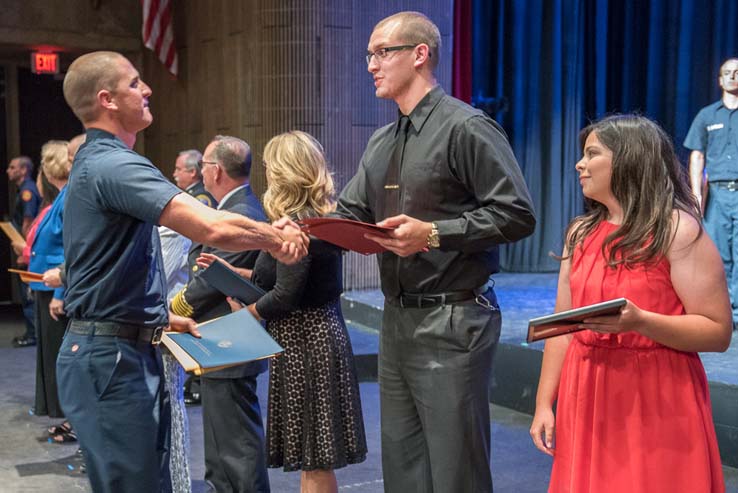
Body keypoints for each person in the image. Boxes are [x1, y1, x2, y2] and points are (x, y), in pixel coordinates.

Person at [56, 50, 308, 493]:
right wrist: (275, 236)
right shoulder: (114, 163)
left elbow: (98, 264)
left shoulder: (98, 161)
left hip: (117, 348)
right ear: (106, 99)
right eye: (134, 83)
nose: (147, 88)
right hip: (110, 359)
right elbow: (210, 225)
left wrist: (154, 315)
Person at [334, 11, 536, 492]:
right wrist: (298, 228)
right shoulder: (383, 140)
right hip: (398, 320)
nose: (370, 65)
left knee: (455, 472)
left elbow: (517, 214)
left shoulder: (467, 127)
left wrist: (434, 233)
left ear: (419, 54)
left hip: (454, 320)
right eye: (369, 55)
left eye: (381, 52)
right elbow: (347, 213)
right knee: (404, 471)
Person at [530, 115, 731, 493]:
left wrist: (641, 322)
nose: (580, 164)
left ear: (627, 160)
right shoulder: (581, 232)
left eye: (592, 154)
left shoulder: (677, 230)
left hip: (656, 394)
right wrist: (544, 403)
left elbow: (717, 331)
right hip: (587, 389)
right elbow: (562, 328)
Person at [202, 130, 368, 493]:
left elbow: (285, 295)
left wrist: (245, 316)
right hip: (307, 341)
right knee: (313, 457)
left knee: (315, 459)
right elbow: (278, 278)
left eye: (269, 166)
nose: (265, 173)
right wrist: (233, 274)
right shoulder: (303, 219)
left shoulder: (300, 224)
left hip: (309, 345)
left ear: (284, 171)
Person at [169, 135, 271, 493]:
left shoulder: (241, 212)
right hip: (218, 338)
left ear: (216, 171)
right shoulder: (229, 207)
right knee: (220, 445)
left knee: (237, 447)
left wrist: (174, 308)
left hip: (229, 340)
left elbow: (209, 277)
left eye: (205, 164)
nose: (201, 172)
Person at [684, 57, 738, 329]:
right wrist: (695, 193)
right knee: (719, 254)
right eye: (727, 73)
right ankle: (726, 310)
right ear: (719, 80)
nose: (733, 76)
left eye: (737, 72)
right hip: (716, 194)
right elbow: (697, 156)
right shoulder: (707, 115)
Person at [27, 141, 74, 441]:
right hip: (47, 285)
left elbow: (69, 248)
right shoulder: (60, 197)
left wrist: (59, 294)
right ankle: (67, 418)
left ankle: (71, 420)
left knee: (61, 359)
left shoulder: (68, 196)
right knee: (52, 358)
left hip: (57, 288)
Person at [7, 155, 42, 348]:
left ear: (23, 170)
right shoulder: (25, 189)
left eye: (12, 167)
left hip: (29, 249)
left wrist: (25, 250)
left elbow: (28, 222)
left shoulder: (27, 191)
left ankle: (33, 334)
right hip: (30, 249)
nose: (8, 171)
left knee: (29, 294)